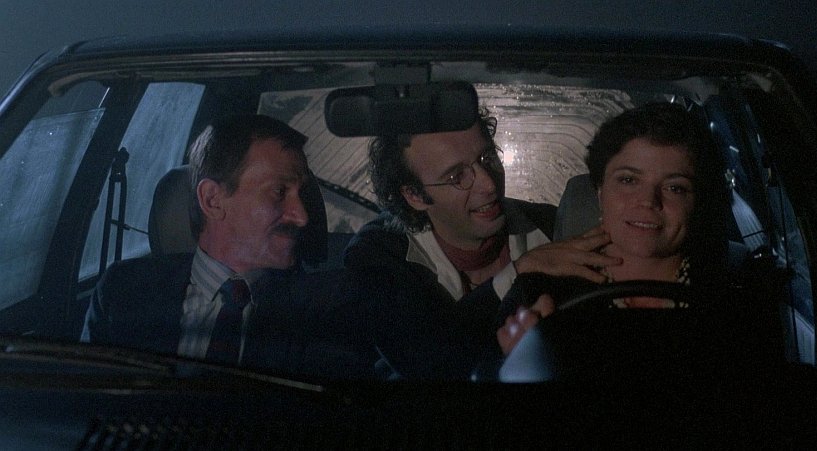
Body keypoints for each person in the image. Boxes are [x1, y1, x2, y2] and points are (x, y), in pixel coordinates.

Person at [336, 108, 621, 379]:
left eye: (487, 158)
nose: (489, 184)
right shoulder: (378, 254)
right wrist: (519, 272)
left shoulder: (555, 225)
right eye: (456, 176)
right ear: (415, 196)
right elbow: (425, 361)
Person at [81, 114, 328, 372]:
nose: (302, 216)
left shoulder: (322, 312)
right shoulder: (123, 293)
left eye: (301, 193)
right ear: (212, 200)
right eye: (279, 191)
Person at [497, 102, 731, 357]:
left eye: (674, 188)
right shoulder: (539, 293)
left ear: (696, 202)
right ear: (600, 193)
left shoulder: (733, 295)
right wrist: (519, 362)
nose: (648, 201)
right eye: (628, 180)